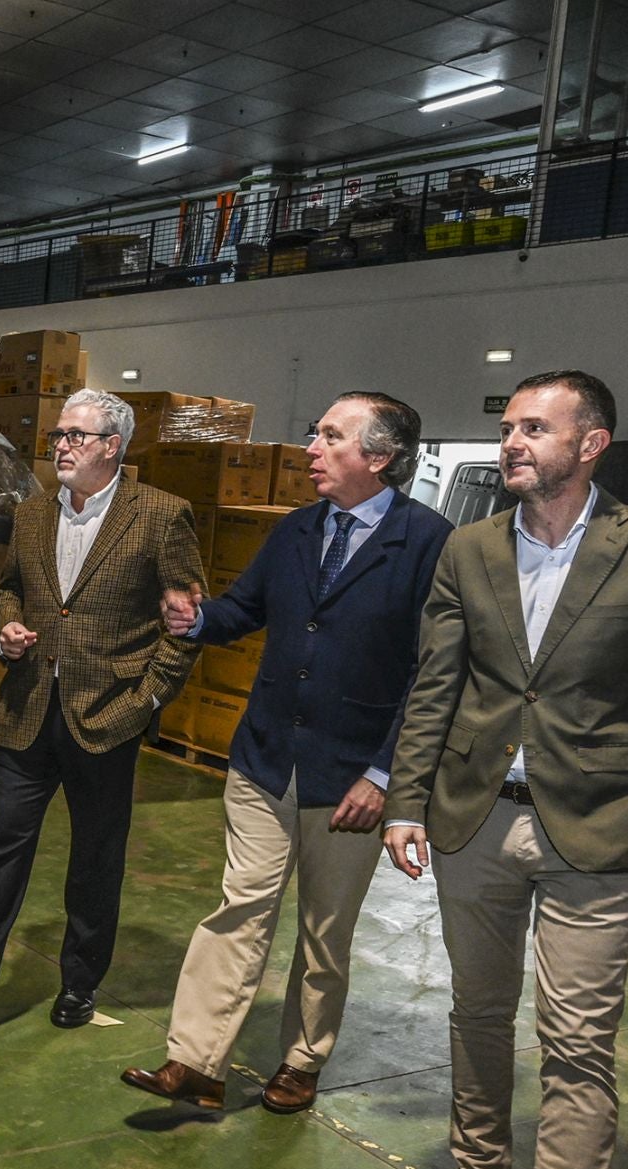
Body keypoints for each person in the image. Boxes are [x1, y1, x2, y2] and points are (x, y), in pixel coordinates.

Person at [382, 371, 628, 1169]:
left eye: (536, 428)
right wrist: (407, 799)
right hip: (475, 819)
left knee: (577, 1048)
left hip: (600, 828)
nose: (513, 443)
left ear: (591, 444)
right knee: (478, 1013)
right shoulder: (470, 549)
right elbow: (436, 687)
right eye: (510, 428)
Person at [120, 393, 452, 1112]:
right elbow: (246, 609)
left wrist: (386, 773)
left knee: (325, 931)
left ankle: (302, 1060)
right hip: (267, 755)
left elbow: (436, 673)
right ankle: (196, 1063)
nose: (311, 447)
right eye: (315, 432)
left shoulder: (430, 542)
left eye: (331, 436)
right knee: (240, 907)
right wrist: (197, 619)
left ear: (379, 456)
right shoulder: (298, 530)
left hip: (352, 777)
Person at [0, 389, 201, 1029]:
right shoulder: (34, 515)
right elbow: (10, 591)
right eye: (57, 436)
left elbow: (185, 625)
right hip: (28, 708)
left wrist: (145, 700)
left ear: (112, 446)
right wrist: (8, 629)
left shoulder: (162, 516)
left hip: (108, 716)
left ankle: (79, 985)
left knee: (95, 858)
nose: (61, 446)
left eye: (76, 436)